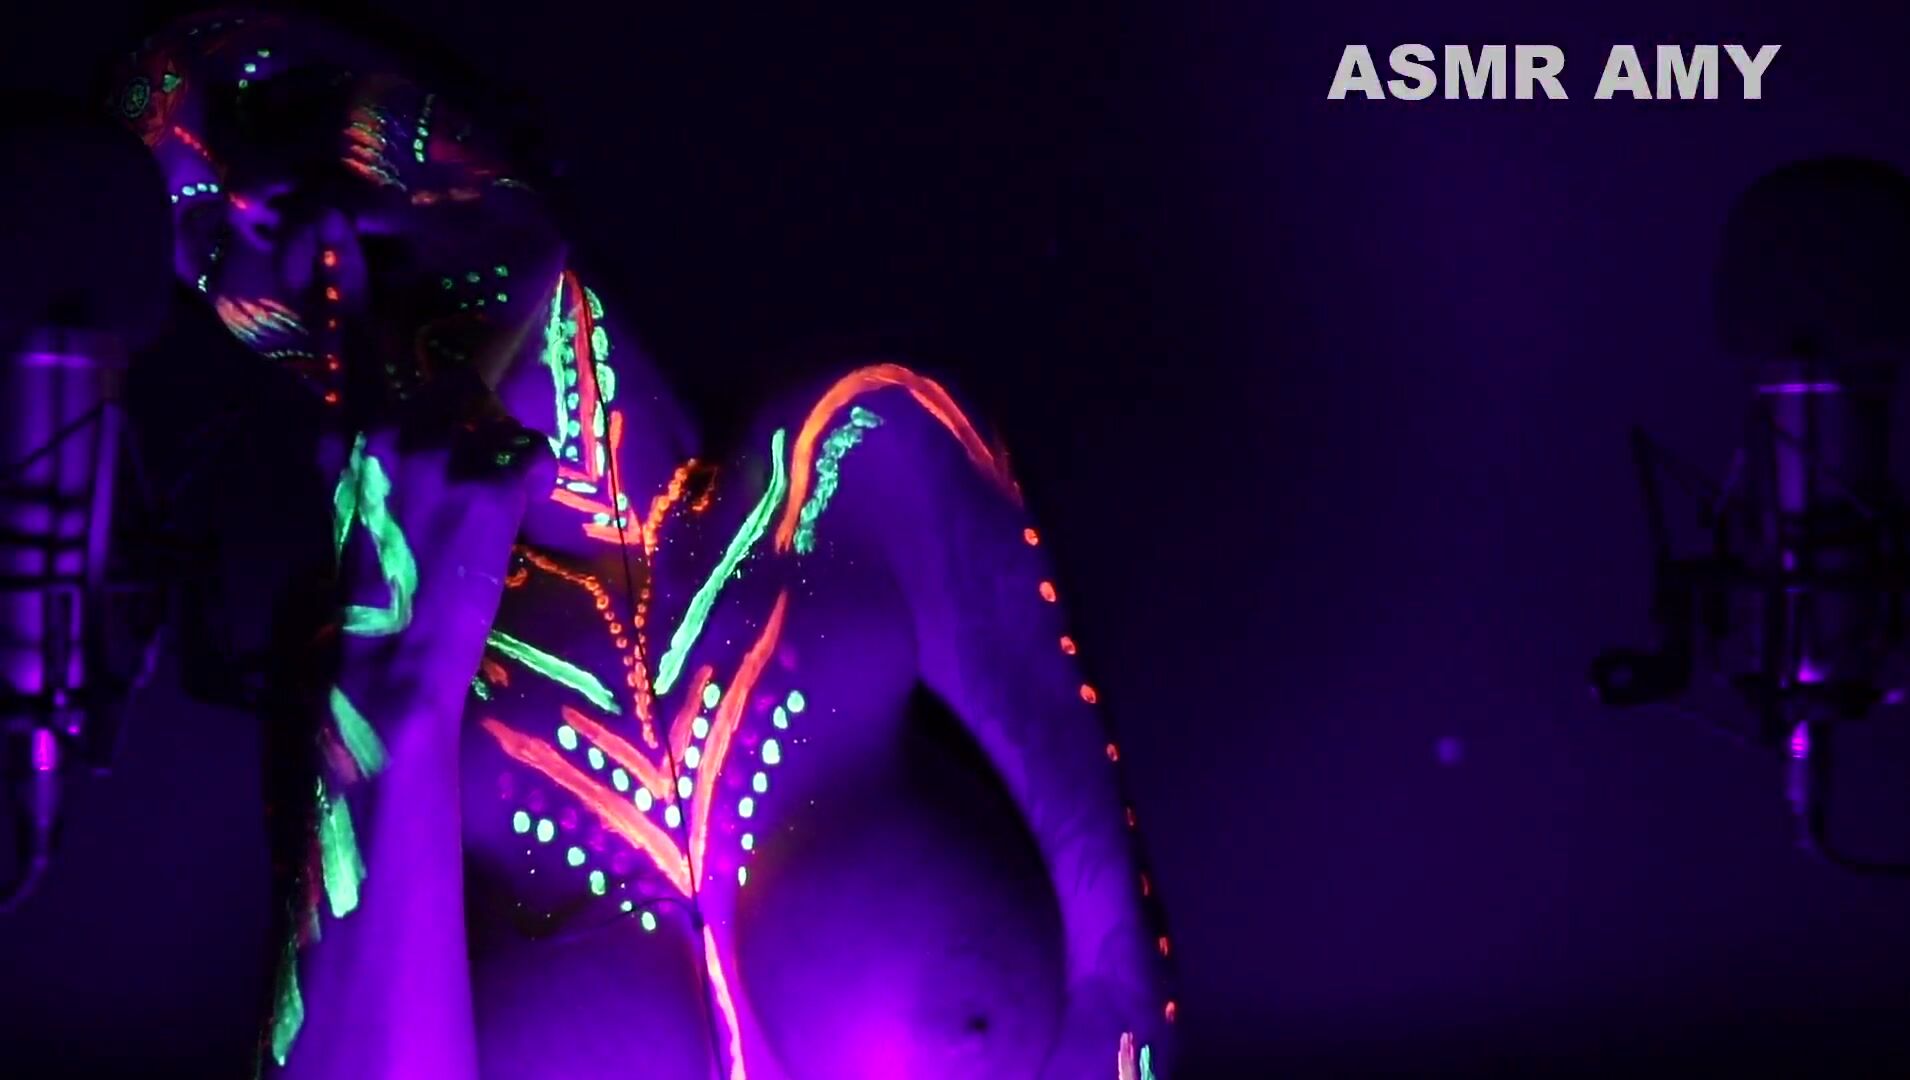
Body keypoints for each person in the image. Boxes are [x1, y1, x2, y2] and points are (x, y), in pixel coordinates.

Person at [111, 9, 1174, 1078]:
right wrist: (392, 686)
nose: (253, 203)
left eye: (291, 108)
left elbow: (1125, 993)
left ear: (488, 101)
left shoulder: (869, 454)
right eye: (204, 241)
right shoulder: (339, 682)